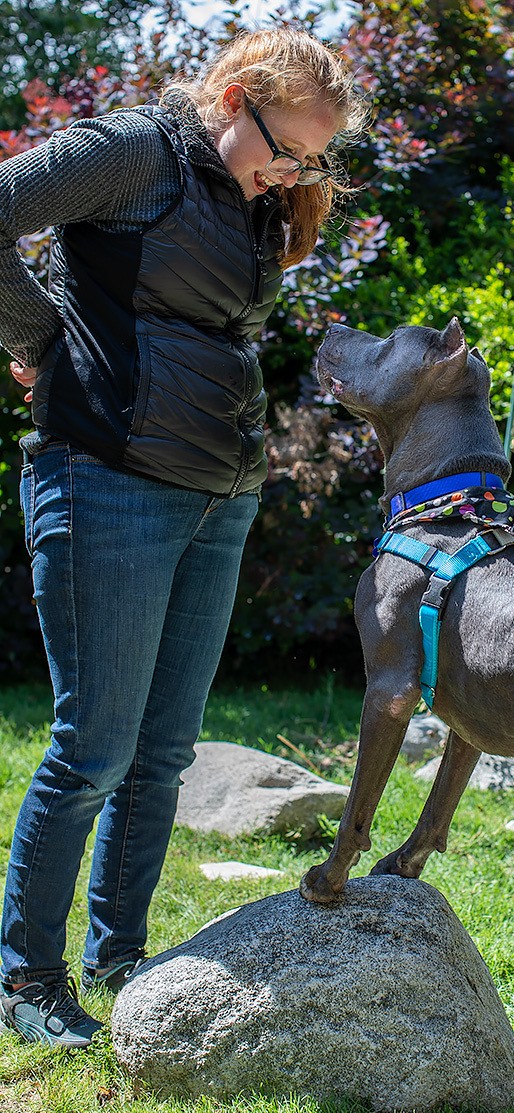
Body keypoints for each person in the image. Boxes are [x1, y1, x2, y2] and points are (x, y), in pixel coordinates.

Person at [0, 25, 369, 1047]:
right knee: (95, 748)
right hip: (107, 480)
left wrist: (282, 181)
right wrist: (42, 339)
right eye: (285, 150)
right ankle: (25, 979)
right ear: (234, 96)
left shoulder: (250, 195)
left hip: (221, 497)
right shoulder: (134, 152)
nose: (290, 175)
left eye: (309, 161)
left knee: (162, 755)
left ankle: (120, 959)